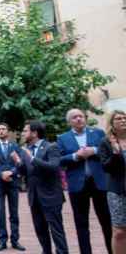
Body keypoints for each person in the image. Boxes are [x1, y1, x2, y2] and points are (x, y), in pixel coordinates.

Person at [57, 108, 112, 254]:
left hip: (99, 183)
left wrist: (93, 151)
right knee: (81, 224)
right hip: (77, 185)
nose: (79, 119)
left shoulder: (98, 133)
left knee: (107, 221)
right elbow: (60, 160)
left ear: (85, 118)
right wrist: (76, 156)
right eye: (74, 117)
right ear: (69, 121)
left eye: (81, 116)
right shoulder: (62, 138)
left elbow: (108, 151)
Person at [11, 120, 68, 254]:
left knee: (56, 230)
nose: (23, 133)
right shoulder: (27, 151)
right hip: (34, 197)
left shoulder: (51, 147)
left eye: (25, 130)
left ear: (35, 133)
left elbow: (54, 167)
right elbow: (26, 172)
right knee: (40, 229)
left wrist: (32, 159)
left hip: (51, 196)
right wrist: (18, 163)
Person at [0, 123, 25, 251]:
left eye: (3, 129)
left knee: (14, 213)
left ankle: (15, 240)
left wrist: (12, 172)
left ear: (7, 131)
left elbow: (20, 162)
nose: (1, 131)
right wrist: (1, 174)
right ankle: (2, 241)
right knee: (0, 212)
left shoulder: (15, 146)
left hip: (13, 183)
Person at [98, 110, 126, 254]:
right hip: (118, 190)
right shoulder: (106, 142)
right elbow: (106, 167)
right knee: (119, 230)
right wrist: (115, 153)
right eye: (118, 118)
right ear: (112, 123)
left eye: (124, 118)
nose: (123, 120)